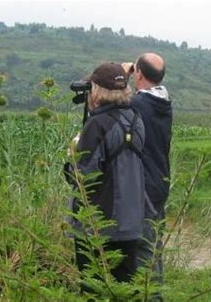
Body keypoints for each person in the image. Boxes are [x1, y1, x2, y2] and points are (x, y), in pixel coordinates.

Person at [65, 62, 145, 287]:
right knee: (126, 287)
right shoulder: (136, 119)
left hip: (98, 225)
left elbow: (81, 177)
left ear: (96, 90)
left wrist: (72, 155)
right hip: (130, 220)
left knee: (93, 287)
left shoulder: (98, 125)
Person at [131, 53, 172, 298]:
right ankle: (155, 294)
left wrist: (120, 73)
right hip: (159, 182)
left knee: (144, 250)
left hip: (144, 185)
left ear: (139, 74)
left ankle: (152, 297)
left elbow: (109, 102)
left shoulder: (138, 105)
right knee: (153, 248)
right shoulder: (162, 102)